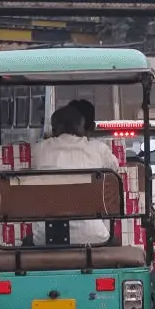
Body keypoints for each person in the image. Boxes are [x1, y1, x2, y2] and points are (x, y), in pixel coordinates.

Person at [30, 105, 119, 246]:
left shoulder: (38, 150)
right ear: (81, 128)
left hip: (45, 236)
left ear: (55, 128)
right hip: (94, 236)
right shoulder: (99, 149)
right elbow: (115, 170)